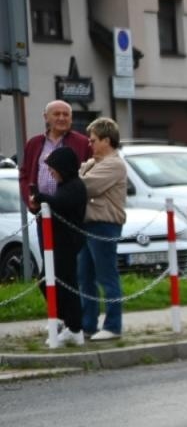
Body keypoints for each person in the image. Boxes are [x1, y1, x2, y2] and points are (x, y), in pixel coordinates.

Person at [78, 118, 128, 341]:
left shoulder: (114, 164)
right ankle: (88, 324)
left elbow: (85, 187)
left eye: (94, 140)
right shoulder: (95, 162)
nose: (91, 144)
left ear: (107, 140)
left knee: (106, 276)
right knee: (85, 276)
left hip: (104, 224)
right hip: (88, 223)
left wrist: (79, 175)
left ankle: (113, 325)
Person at [36, 146, 88, 346]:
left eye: (53, 169)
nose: (51, 172)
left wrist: (42, 198)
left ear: (63, 168)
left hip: (68, 242)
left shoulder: (74, 186)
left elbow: (62, 204)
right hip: (58, 242)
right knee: (47, 280)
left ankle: (74, 327)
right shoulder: (65, 185)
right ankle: (66, 321)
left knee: (66, 283)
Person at [20, 100, 92, 217]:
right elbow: (24, 175)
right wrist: (30, 199)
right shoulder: (34, 143)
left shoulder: (83, 143)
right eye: (57, 114)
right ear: (46, 117)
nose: (62, 118)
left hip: (71, 212)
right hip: (42, 210)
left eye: (66, 114)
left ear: (71, 118)